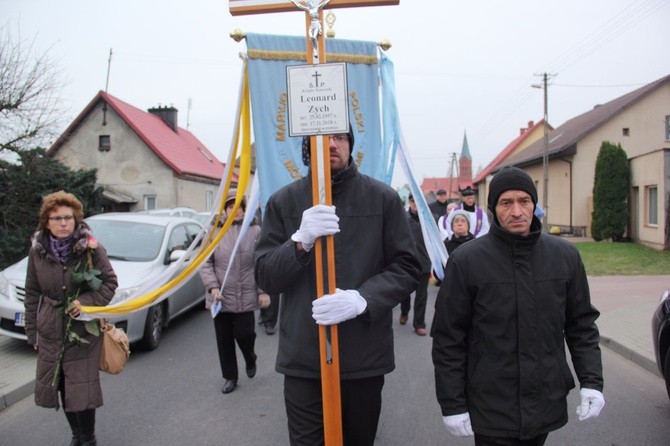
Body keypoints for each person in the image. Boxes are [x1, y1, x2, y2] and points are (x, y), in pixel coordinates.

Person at [254, 128, 421, 445]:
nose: (331, 144)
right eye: (321, 137)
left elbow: (408, 266)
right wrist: (299, 243)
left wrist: (363, 299)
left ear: (350, 146)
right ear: (307, 147)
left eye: (340, 137)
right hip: (304, 359)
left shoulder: (383, 199)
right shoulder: (282, 202)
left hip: (364, 358)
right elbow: (265, 276)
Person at [431, 166, 604, 445]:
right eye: (506, 202)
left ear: (534, 205)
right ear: (493, 208)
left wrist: (592, 382)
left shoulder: (565, 257)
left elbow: (581, 325)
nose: (516, 211)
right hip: (490, 404)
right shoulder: (467, 261)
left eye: (524, 201)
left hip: (545, 397)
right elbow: (448, 337)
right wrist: (452, 404)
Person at [24, 191, 118, 446]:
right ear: (46, 222)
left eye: (68, 217)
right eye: (57, 218)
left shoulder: (91, 248)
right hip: (51, 330)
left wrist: (85, 303)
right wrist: (32, 332)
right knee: (63, 385)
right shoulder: (37, 252)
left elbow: (110, 283)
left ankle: (88, 438)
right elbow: (32, 293)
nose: (63, 223)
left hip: (83, 331)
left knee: (81, 387)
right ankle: (76, 435)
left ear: (76, 219)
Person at [199, 190, 270, 394]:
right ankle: (230, 377)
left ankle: (250, 356)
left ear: (244, 209)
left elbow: (261, 261)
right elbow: (205, 262)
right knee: (224, 338)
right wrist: (212, 287)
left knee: (244, 333)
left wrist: (263, 291)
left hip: (247, 294)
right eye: (230, 207)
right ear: (224, 209)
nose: (235, 211)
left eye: (238, 207)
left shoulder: (255, 230)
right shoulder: (214, 232)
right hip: (220, 296)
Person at [399, 194, 431, 336]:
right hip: (406, 263)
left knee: (421, 295)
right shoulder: (402, 218)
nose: (415, 204)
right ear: (409, 202)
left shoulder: (428, 220)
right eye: (412, 201)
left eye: (417, 202)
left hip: (424, 262)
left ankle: (419, 323)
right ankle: (404, 311)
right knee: (405, 293)